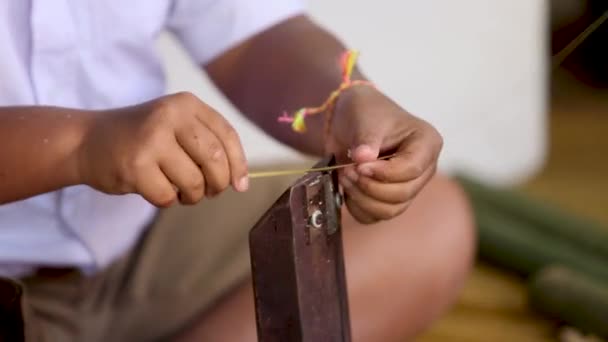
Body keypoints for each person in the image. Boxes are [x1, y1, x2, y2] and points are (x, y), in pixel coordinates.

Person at [0, 1, 474, 341]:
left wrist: (344, 102)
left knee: (430, 219)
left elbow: (250, 36)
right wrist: (79, 146)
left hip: (135, 239)